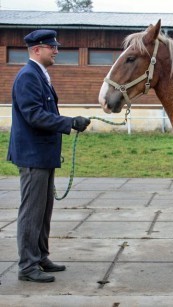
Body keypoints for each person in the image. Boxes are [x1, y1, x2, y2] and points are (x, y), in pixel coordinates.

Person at [7, 29, 91, 283]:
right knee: (32, 212)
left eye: (56, 47)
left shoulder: (39, 76)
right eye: (51, 47)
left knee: (43, 211)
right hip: (33, 156)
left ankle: (40, 257)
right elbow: (34, 115)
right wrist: (69, 122)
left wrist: (69, 122)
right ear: (36, 50)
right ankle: (27, 266)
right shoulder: (28, 77)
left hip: (42, 155)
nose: (56, 51)